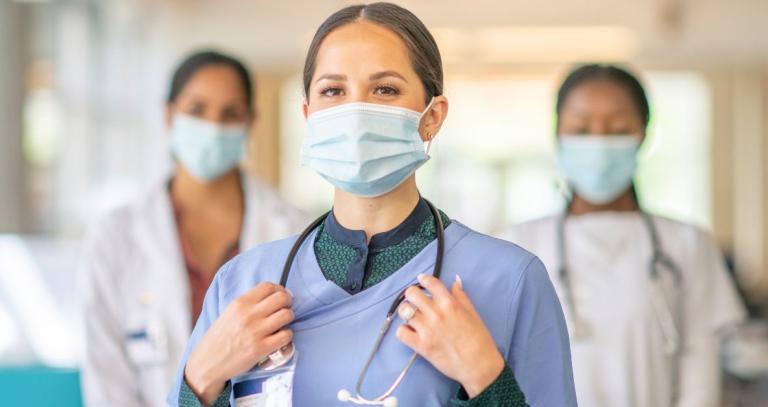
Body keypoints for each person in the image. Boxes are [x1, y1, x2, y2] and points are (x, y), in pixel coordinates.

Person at [168, 3, 576, 407]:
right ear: (309, 115)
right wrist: (201, 378)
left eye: (385, 89)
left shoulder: (509, 280)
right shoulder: (242, 283)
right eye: (333, 91)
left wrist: (486, 378)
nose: (355, 112)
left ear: (432, 116)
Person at [500, 64, 746, 406]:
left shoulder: (687, 244)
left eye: (617, 128)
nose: (598, 142)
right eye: (581, 128)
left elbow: (699, 378)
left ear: (643, 133)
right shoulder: (516, 244)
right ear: (558, 134)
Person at [79, 50, 309, 407]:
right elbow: (105, 377)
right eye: (197, 110)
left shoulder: (294, 229)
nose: (213, 126)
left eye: (230, 113)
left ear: (250, 121)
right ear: (168, 115)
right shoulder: (116, 237)